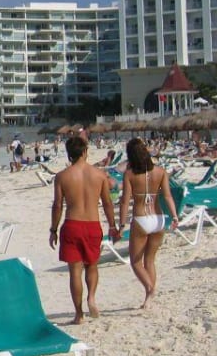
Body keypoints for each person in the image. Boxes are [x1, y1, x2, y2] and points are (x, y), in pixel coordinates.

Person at [49, 135, 118, 324]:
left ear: (69, 154)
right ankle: (92, 297)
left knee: (75, 271)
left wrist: (53, 230)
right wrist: (112, 225)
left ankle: (79, 315)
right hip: (93, 225)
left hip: (72, 224)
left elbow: (57, 206)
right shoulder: (99, 175)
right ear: (85, 152)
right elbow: (107, 203)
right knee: (92, 265)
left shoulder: (62, 176)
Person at [118, 138, 178, 310]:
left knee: (135, 262)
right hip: (158, 218)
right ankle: (148, 299)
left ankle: (150, 288)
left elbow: (125, 201)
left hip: (141, 218)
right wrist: (174, 216)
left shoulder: (129, 174)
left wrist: (121, 225)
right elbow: (167, 196)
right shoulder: (160, 172)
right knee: (149, 261)